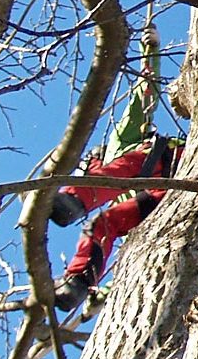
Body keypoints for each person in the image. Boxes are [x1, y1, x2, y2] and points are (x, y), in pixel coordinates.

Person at [49, 24, 180, 313]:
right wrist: (105, 292)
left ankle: (72, 201)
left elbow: (145, 95)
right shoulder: (115, 195)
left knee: (118, 171)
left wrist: (151, 50)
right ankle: (79, 281)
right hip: (159, 203)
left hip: (169, 163)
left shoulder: (122, 142)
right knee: (101, 225)